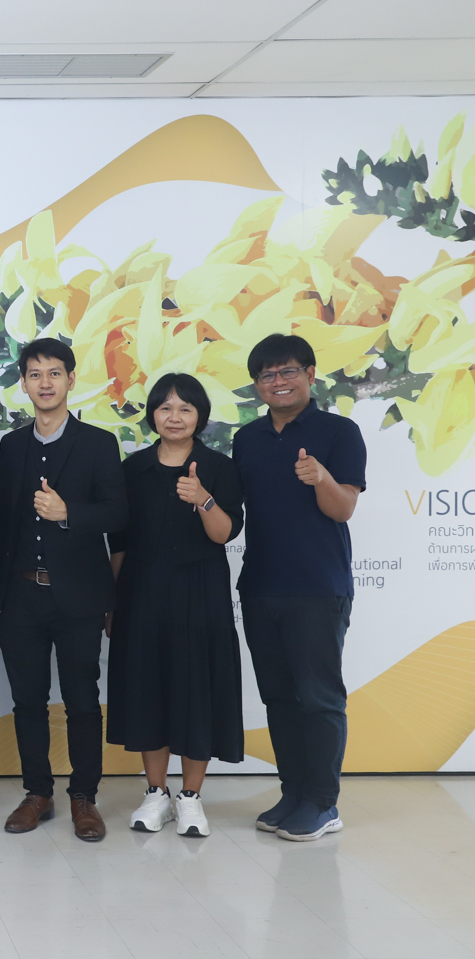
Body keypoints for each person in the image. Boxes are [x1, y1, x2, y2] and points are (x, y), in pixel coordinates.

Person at [0, 338, 126, 842]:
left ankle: (84, 797)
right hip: (21, 594)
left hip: (80, 596)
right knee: (27, 699)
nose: (44, 383)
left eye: (54, 373)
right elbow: (1, 523)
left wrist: (69, 514)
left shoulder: (99, 443)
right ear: (23, 383)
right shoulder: (11, 446)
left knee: (82, 700)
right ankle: (37, 794)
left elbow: (118, 514)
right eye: (34, 374)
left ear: (70, 379)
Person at [233, 333, 365, 842]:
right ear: (257, 385)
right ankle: (293, 793)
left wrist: (321, 478)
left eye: (288, 371)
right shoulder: (247, 439)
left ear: (310, 374)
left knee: (319, 698)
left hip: (317, 586)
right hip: (260, 586)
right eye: (267, 375)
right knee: (279, 698)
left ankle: (323, 803)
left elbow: (343, 508)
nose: (278, 382)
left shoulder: (339, 431)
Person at [106, 373, 244, 838]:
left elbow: (224, 534)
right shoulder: (133, 469)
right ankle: (156, 793)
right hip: (142, 593)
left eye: (185, 408)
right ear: (153, 415)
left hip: (200, 593)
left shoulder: (219, 467)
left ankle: (190, 798)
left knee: (197, 690)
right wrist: (112, 601)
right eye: (165, 407)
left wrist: (203, 499)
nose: (174, 417)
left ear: (200, 416)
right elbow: (119, 542)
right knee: (149, 689)